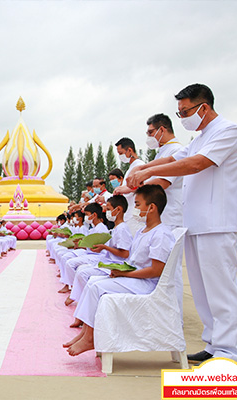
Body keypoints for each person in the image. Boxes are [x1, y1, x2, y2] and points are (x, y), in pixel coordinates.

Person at [127, 84, 237, 363]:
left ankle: (229, 351)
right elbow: (175, 158)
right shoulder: (200, 137)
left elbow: (194, 165)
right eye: (178, 113)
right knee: (203, 291)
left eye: (185, 112)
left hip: (217, 223)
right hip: (194, 223)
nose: (182, 118)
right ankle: (214, 344)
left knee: (221, 289)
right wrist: (143, 169)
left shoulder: (228, 131)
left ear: (203, 107)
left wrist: (148, 170)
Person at [63, 184, 175, 356]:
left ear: (151, 207)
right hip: (135, 278)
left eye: (138, 205)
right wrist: (117, 270)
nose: (135, 209)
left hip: (146, 284)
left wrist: (125, 273)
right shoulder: (142, 231)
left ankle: (90, 338)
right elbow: (132, 260)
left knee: (96, 287)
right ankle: (86, 333)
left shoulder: (161, 234)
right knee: (92, 281)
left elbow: (156, 270)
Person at [143, 113, 185, 314]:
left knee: (170, 272)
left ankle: (173, 316)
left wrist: (137, 185)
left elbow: (163, 183)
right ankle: (163, 313)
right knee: (160, 270)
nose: (149, 136)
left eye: (151, 132)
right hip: (162, 219)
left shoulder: (177, 150)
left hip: (171, 218)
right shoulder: (162, 153)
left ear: (162, 129)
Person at [65, 195, 132, 314]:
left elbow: (125, 253)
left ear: (118, 209)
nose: (106, 211)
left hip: (115, 264)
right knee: (81, 270)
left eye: (109, 208)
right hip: (107, 260)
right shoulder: (117, 228)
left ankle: (86, 303)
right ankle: (83, 303)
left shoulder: (122, 228)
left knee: (82, 272)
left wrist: (104, 247)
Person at [114, 137, 146, 235]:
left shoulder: (139, 165)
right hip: (129, 214)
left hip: (135, 215)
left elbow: (143, 186)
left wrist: (126, 189)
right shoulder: (130, 168)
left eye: (121, 153)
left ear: (129, 150)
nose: (120, 156)